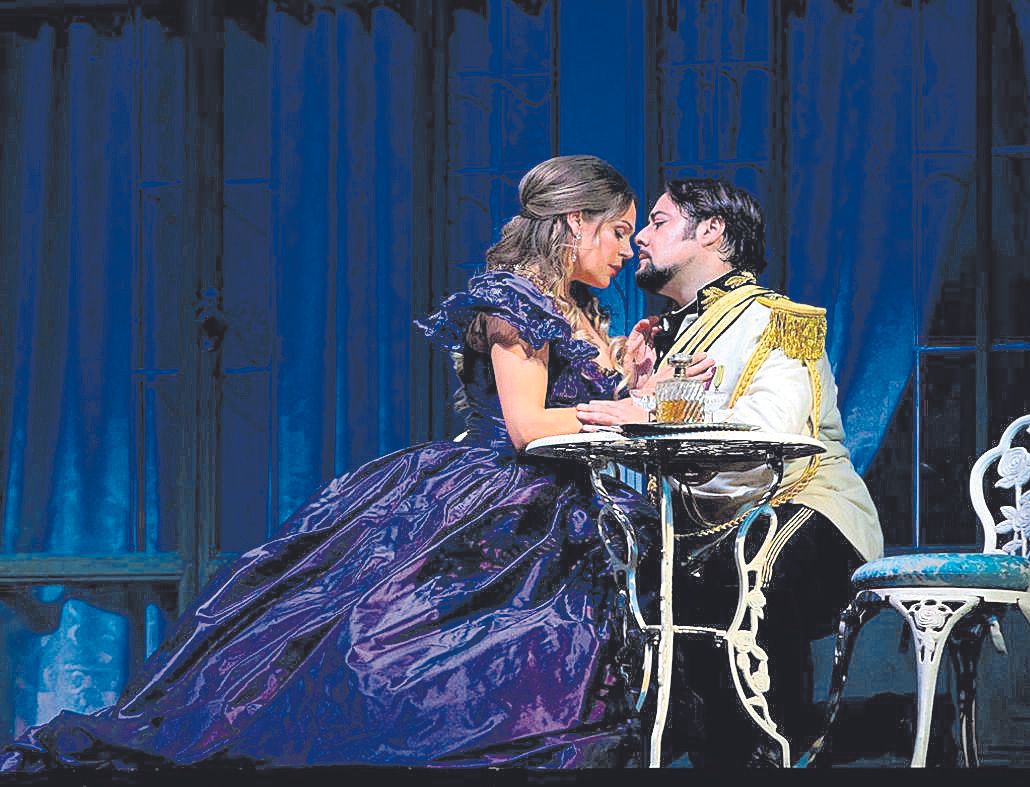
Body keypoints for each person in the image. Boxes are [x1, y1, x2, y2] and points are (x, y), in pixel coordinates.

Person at [0, 155, 691, 770]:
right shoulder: (512, 301)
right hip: (499, 500)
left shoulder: (581, 308)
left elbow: (583, 409)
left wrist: (638, 384)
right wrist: (623, 410)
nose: (627, 248)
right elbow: (525, 426)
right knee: (418, 657)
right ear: (574, 221)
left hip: (572, 501)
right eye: (619, 229)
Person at [576, 179, 884, 767]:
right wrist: (643, 387)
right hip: (712, 531)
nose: (641, 236)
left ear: (711, 231)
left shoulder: (779, 319)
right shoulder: (670, 336)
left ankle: (777, 752)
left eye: (660, 221)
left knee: (738, 574)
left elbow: (776, 424)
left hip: (810, 508)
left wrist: (652, 407)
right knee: (636, 592)